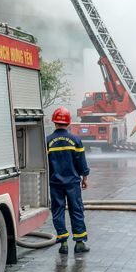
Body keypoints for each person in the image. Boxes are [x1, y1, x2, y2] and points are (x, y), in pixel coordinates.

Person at [46, 107, 90, 254]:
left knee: (57, 211)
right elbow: (81, 162)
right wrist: (84, 177)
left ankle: (63, 243)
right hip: (72, 183)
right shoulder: (76, 140)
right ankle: (79, 243)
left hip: (55, 183)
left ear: (54, 122)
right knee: (76, 210)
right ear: (68, 123)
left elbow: (45, 164)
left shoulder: (47, 141)